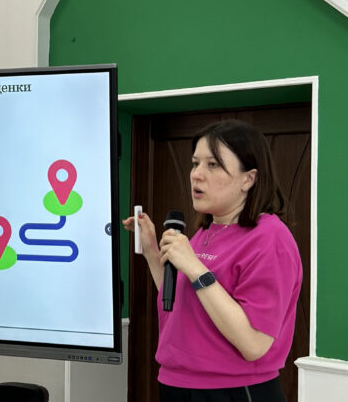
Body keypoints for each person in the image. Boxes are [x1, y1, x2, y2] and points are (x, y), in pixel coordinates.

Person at [122, 119, 302, 402]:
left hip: (233, 390)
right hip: (175, 383)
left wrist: (195, 268)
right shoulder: (207, 231)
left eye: (213, 165)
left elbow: (253, 344)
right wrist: (152, 252)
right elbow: (184, 301)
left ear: (248, 179)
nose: (196, 174)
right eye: (195, 163)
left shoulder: (270, 237)